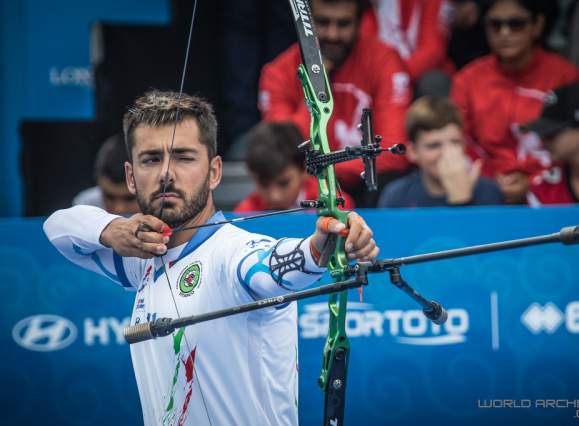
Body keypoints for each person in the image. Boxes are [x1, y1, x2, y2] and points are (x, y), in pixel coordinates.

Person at [43, 90, 379, 424]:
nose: (166, 173)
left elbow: (275, 265)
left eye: (184, 157)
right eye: (151, 159)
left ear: (215, 171)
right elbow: (57, 228)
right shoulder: (141, 260)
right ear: (131, 177)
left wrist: (321, 244)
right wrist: (112, 229)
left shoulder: (232, 254)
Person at [259, 0, 412, 205]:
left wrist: (323, 165)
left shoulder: (384, 60)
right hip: (309, 191)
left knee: (388, 184)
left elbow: (393, 151)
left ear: (360, 22)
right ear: (307, 24)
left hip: (365, 186)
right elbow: (284, 154)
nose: (333, 35)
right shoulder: (277, 73)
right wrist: (315, 85)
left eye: (343, 24)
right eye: (322, 22)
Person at [450, 0, 579, 204]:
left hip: (553, 190)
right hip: (484, 189)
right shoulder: (467, 80)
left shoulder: (567, 76)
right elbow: (459, 143)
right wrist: (491, 181)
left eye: (516, 23)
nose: (504, 33)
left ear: (537, 25)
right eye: (495, 24)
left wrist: (532, 182)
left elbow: (577, 145)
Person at [378, 96, 503, 207]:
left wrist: (461, 199)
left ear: (465, 145)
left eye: (455, 143)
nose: (446, 153)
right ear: (413, 152)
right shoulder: (396, 196)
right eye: (434, 145)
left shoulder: (487, 191)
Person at [234, 121, 355, 212]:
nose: (275, 196)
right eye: (264, 184)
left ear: (304, 168)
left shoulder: (336, 205)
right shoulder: (245, 213)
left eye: (284, 183)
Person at [359, 0, 456, 97]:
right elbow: (367, 55)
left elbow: (433, 53)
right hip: (383, 80)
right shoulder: (365, 7)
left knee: (433, 83)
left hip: (420, 76)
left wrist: (393, 76)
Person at [72, 133, 140, 216]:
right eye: (109, 197)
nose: (119, 209)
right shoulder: (85, 206)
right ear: (98, 182)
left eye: (129, 198)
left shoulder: (159, 205)